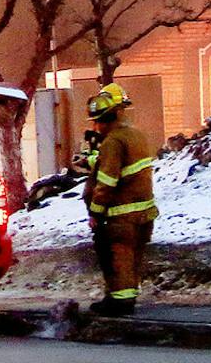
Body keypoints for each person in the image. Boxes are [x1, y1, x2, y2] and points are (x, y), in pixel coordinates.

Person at [84, 84, 157, 317]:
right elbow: (127, 170)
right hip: (143, 213)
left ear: (110, 118)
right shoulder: (136, 135)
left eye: (98, 121)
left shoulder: (113, 141)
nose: (96, 127)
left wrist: (95, 212)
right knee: (133, 258)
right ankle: (126, 297)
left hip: (121, 214)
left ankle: (120, 303)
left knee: (118, 258)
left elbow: (106, 181)